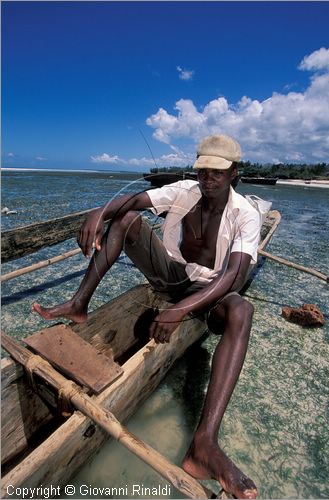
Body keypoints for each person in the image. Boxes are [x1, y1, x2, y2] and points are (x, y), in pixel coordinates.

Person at [32, 134, 261, 499]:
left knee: (242, 309)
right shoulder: (185, 191)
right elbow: (134, 200)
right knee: (127, 218)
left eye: (217, 172)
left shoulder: (245, 214)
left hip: (207, 295)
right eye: (203, 169)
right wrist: (101, 211)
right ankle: (79, 304)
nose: (207, 178)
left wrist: (179, 310)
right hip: (171, 276)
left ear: (234, 173)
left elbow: (234, 276)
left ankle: (204, 443)